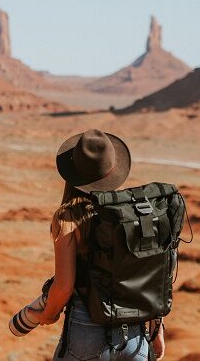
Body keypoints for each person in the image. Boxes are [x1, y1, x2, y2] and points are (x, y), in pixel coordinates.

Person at [39, 129, 165, 360]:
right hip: (135, 336)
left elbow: (64, 286)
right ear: (114, 171)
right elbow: (151, 278)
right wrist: (157, 329)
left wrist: (48, 314)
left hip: (87, 332)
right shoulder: (134, 215)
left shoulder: (68, 218)